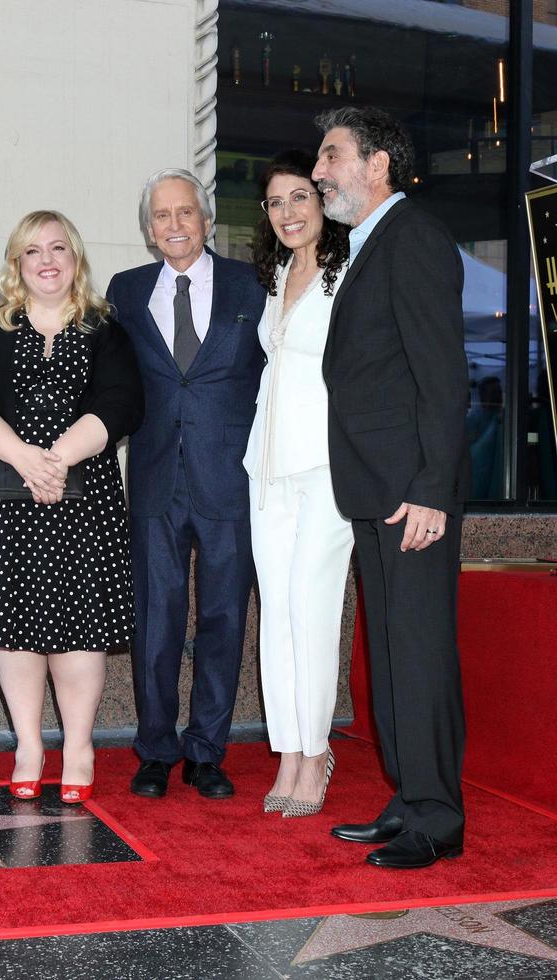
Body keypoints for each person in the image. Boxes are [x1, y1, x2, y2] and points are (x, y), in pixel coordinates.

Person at [0, 210, 144, 803]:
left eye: (59, 248)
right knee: (16, 628)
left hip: (85, 501)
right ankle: (29, 744)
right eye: (33, 251)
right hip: (3, 501)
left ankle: (78, 746)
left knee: (80, 629)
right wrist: (25, 460)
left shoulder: (104, 326)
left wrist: (54, 459)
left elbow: (123, 402)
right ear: (17, 264)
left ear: (76, 258)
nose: (47, 260)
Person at [312, 107, 470, 869]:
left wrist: (433, 487)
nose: (319, 171)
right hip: (378, 491)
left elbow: (442, 375)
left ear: (377, 164)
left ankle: (438, 816)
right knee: (392, 653)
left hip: (413, 493)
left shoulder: (412, 238)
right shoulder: (372, 245)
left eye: (332, 155)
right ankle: (408, 799)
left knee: (420, 654)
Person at [107, 169, 266, 800]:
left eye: (185, 213)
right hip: (152, 481)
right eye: (161, 216)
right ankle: (155, 750)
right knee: (157, 620)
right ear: (149, 230)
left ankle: (207, 751)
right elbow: (85, 347)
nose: (174, 224)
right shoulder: (124, 291)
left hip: (231, 481)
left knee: (225, 618)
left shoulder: (251, 284)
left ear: (205, 220)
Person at [243, 151, 352, 817]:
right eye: (276, 202)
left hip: (329, 467)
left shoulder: (349, 274)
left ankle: (317, 754)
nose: (287, 213)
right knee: (277, 617)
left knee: (311, 610)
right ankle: (288, 752)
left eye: (300, 199)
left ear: (324, 204)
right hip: (268, 468)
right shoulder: (278, 272)